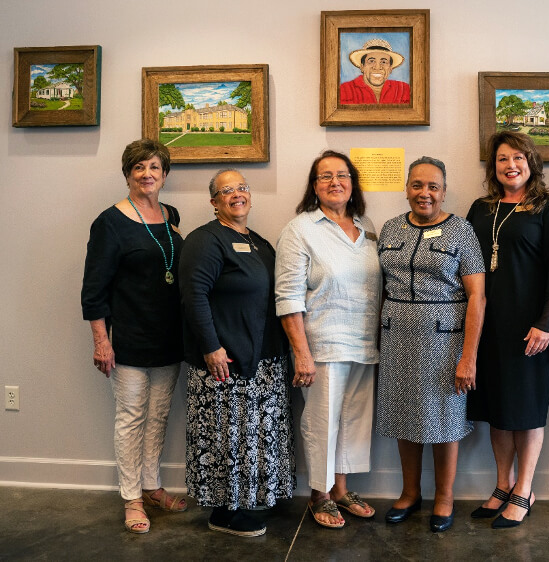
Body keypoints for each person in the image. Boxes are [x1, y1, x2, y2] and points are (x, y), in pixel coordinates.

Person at [466, 131, 549, 529]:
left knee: (526, 412)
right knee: (498, 409)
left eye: (517, 157)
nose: (510, 165)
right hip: (488, 326)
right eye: (501, 159)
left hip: (532, 328)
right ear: (492, 167)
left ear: (531, 162)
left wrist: (547, 323)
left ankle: (525, 489)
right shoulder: (480, 209)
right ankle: (502, 485)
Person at [180, 169, 294, 537]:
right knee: (226, 437)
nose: (237, 194)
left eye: (242, 187)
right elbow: (193, 296)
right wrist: (211, 347)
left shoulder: (260, 243)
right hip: (225, 361)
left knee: (255, 436)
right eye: (226, 191)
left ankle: (251, 498)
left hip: (263, 361)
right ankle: (224, 512)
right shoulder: (205, 241)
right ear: (214, 202)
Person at [81, 138, 187, 534]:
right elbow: (94, 289)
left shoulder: (170, 213)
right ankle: (131, 498)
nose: (147, 174)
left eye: (154, 167)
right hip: (128, 338)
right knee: (131, 417)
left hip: (168, 337)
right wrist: (101, 340)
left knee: (158, 415)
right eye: (139, 167)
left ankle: (152, 485)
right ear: (127, 174)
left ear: (164, 174)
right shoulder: (109, 222)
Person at [377, 157, 486, 533]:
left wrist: (468, 357)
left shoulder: (462, 231)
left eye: (433, 187)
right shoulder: (390, 229)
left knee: (444, 421)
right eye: (417, 185)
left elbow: (478, 298)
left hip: (444, 345)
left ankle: (444, 495)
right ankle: (410, 493)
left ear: (443, 191)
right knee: (404, 416)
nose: (425, 193)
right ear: (407, 188)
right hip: (396, 339)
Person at [275, 150, 381, 529]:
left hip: (365, 343)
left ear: (352, 183)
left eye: (342, 175)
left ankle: (340, 489)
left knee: (352, 420)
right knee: (323, 422)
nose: (335, 182)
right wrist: (301, 354)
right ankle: (318, 494)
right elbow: (287, 297)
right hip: (321, 345)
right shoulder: (300, 228)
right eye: (325, 176)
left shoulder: (367, 226)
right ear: (314, 186)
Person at [339, 38, 411, 104]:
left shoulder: (404, 90)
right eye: (371, 61)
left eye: (383, 62)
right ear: (362, 67)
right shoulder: (344, 90)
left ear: (390, 68)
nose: (377, 67)